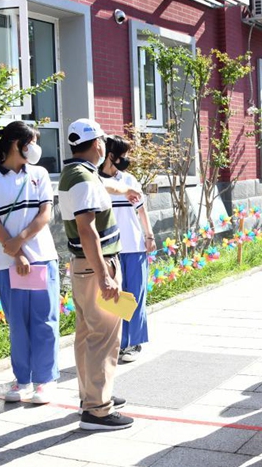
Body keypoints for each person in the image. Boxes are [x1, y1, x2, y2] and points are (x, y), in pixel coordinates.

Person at [59, 118, 140, 431]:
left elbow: (99, 185)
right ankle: (97, 410)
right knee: (104, 338)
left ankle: (91, 395)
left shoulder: (75, 173)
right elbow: (87, 228)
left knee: (87, 335)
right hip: (97, 265)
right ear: (98, 145)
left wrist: (124, 188)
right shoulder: (83, 178)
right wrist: (105, 275)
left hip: (85, 267)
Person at [0, 121, 60, 404]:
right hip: (8, 263)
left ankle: (45, 381)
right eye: (32, 141)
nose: (36, 147)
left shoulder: (39, 173)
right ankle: (22, 380)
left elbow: (45, 214)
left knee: (44, 321)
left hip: (42, 259)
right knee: (18, 324)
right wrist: (17, 253)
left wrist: (20, 242)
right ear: (17, 144)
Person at [99, 136, 157, 363]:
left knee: (136, 294)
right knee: (114, 297)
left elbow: (141, 211)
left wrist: (149, 235)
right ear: (108, 154)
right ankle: (118, 342)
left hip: (133, 246)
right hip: (108, 249)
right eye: (120, 154)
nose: (125, 159)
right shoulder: (94, 180)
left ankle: (134, 342)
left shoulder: (129, 179)